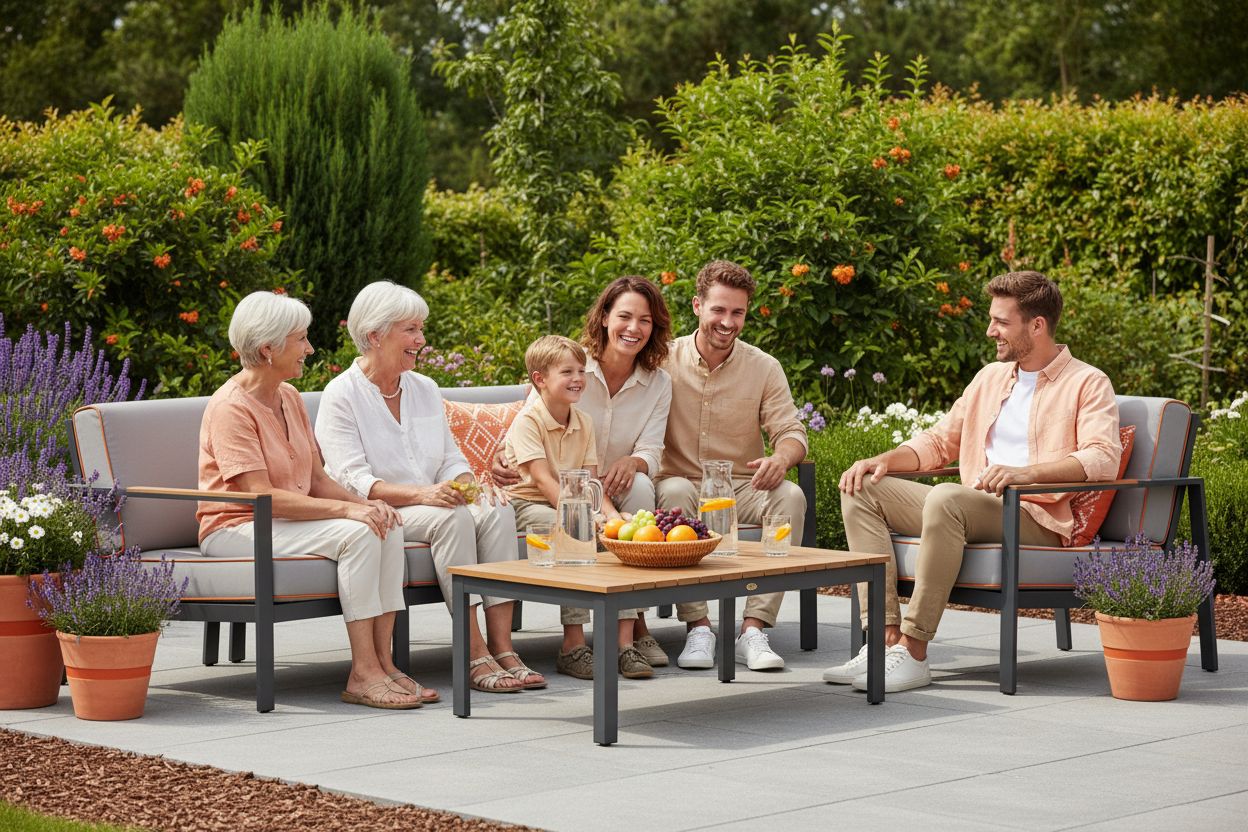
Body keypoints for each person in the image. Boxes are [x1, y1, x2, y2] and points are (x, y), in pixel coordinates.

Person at [827, 270, 1120, 692]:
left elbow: (1102, 458)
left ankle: (914, 651)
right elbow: (939, 441)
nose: (990, 331)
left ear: (1037, 325)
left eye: (1001, 322)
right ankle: (885, 642)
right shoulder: (990, 378)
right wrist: (883, 460)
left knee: (948, 497)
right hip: (973, 505)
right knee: (861, 485)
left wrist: (1025, 475)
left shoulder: (1087, 382)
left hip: (1036, 516)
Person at [197, 290, 430, 710]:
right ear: (268, 348)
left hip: (283, 522)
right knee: (358, 535)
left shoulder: (288, 396)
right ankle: (363, 673)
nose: (310, 348)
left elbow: (317, 478)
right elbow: (261, 497)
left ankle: (384, 664)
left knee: (384, 522)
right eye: (301, 339)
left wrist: (367, 506)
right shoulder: (232, 408)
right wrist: (348, 510)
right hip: (235, 527)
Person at [315, 281, 541, 694]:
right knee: (452, 518)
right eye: (411, 330)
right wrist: (424, 495)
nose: (421, 339)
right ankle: (473, 652)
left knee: (496, 511)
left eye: (421, 329)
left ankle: (504, 648)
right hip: (385, 509)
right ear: (374, 335)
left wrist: (470, 485)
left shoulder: (424, 388)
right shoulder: (341, 395)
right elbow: (354, 480)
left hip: (434, 503)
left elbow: (450, 458)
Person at [657, 260, 809, 672]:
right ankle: (699, 627)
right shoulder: (662, 362)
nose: (727, 322)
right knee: (674, 493)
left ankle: (754, 629)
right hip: (680, 484)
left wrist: (781, 457)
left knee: (790, 495)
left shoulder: (764, 367)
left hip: (742, 487)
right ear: (697, 306)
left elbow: (792, 432)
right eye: (718, 310)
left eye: (737, 312)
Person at [503, 335, 652, 681]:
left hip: (571, 502)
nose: (578, 379)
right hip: (531, 505)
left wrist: (613, 518)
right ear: (540, 379)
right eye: (567, 371)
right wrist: (586, 517)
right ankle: (572, 647)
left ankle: (622, 644)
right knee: (577, 530)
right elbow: (543, 482)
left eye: (581, 371)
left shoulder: (582, 421)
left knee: (621, 539)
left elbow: (590, 483)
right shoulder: (528, 421)